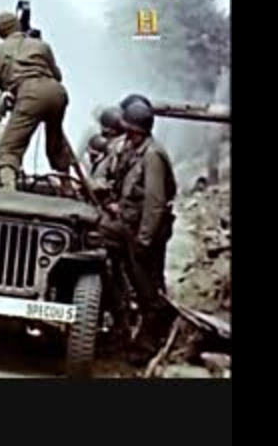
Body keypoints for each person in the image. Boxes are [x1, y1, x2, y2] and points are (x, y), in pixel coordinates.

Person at [101, 101, 178, 361]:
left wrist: (144, 240)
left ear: (135, 130)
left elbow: (155, 203)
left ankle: (148, 343)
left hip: (145, 232)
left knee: (146, 288)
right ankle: (120, 325)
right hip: (128, 225)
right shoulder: (134, 150)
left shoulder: (152, 155)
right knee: (97, 239)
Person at [0, 11, 72, 189]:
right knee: (56, 141)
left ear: (0, 32)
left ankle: (8, 190)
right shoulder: (41, 46)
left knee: (9, 148)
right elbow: (57, 75)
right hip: (56, 93)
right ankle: (67, 184)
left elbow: (0, 84)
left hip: (29, 94)